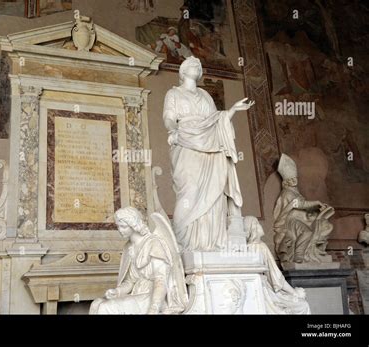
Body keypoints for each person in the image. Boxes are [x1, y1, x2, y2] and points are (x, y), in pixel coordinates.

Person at [163, 56, 254, 251]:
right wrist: (173, 131)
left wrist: (233, 110)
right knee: (190, 189)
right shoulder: (173, 94)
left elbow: (216, 120)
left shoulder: (205, 95)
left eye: (198, 63)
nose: (196, 64)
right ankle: (184, 239)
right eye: (191, 64)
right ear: (183, 71)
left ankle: (209, 242)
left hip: (211, 143)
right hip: (186, 141)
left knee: (214, 193)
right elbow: (169, 119)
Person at [89, 207, 188, 314]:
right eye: (118, 226)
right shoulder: (128, 248)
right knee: (96, 303)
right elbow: (130, 281)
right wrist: (117, 291)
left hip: (153, 296)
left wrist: (154, 308)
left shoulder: (153, 244)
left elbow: (161, 280)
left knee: (107, 307)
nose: (120, 230)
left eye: (123, 226)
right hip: (137, 293)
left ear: (133, 225)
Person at [244, 216, 311, 314]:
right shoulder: (260, 247)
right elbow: (276, 278)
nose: (260, 225)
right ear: (253, 228)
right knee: (302, 306)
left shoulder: (245, 248)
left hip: (259, 292)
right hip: (266, 293)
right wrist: (294, 292)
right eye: (257, 223)